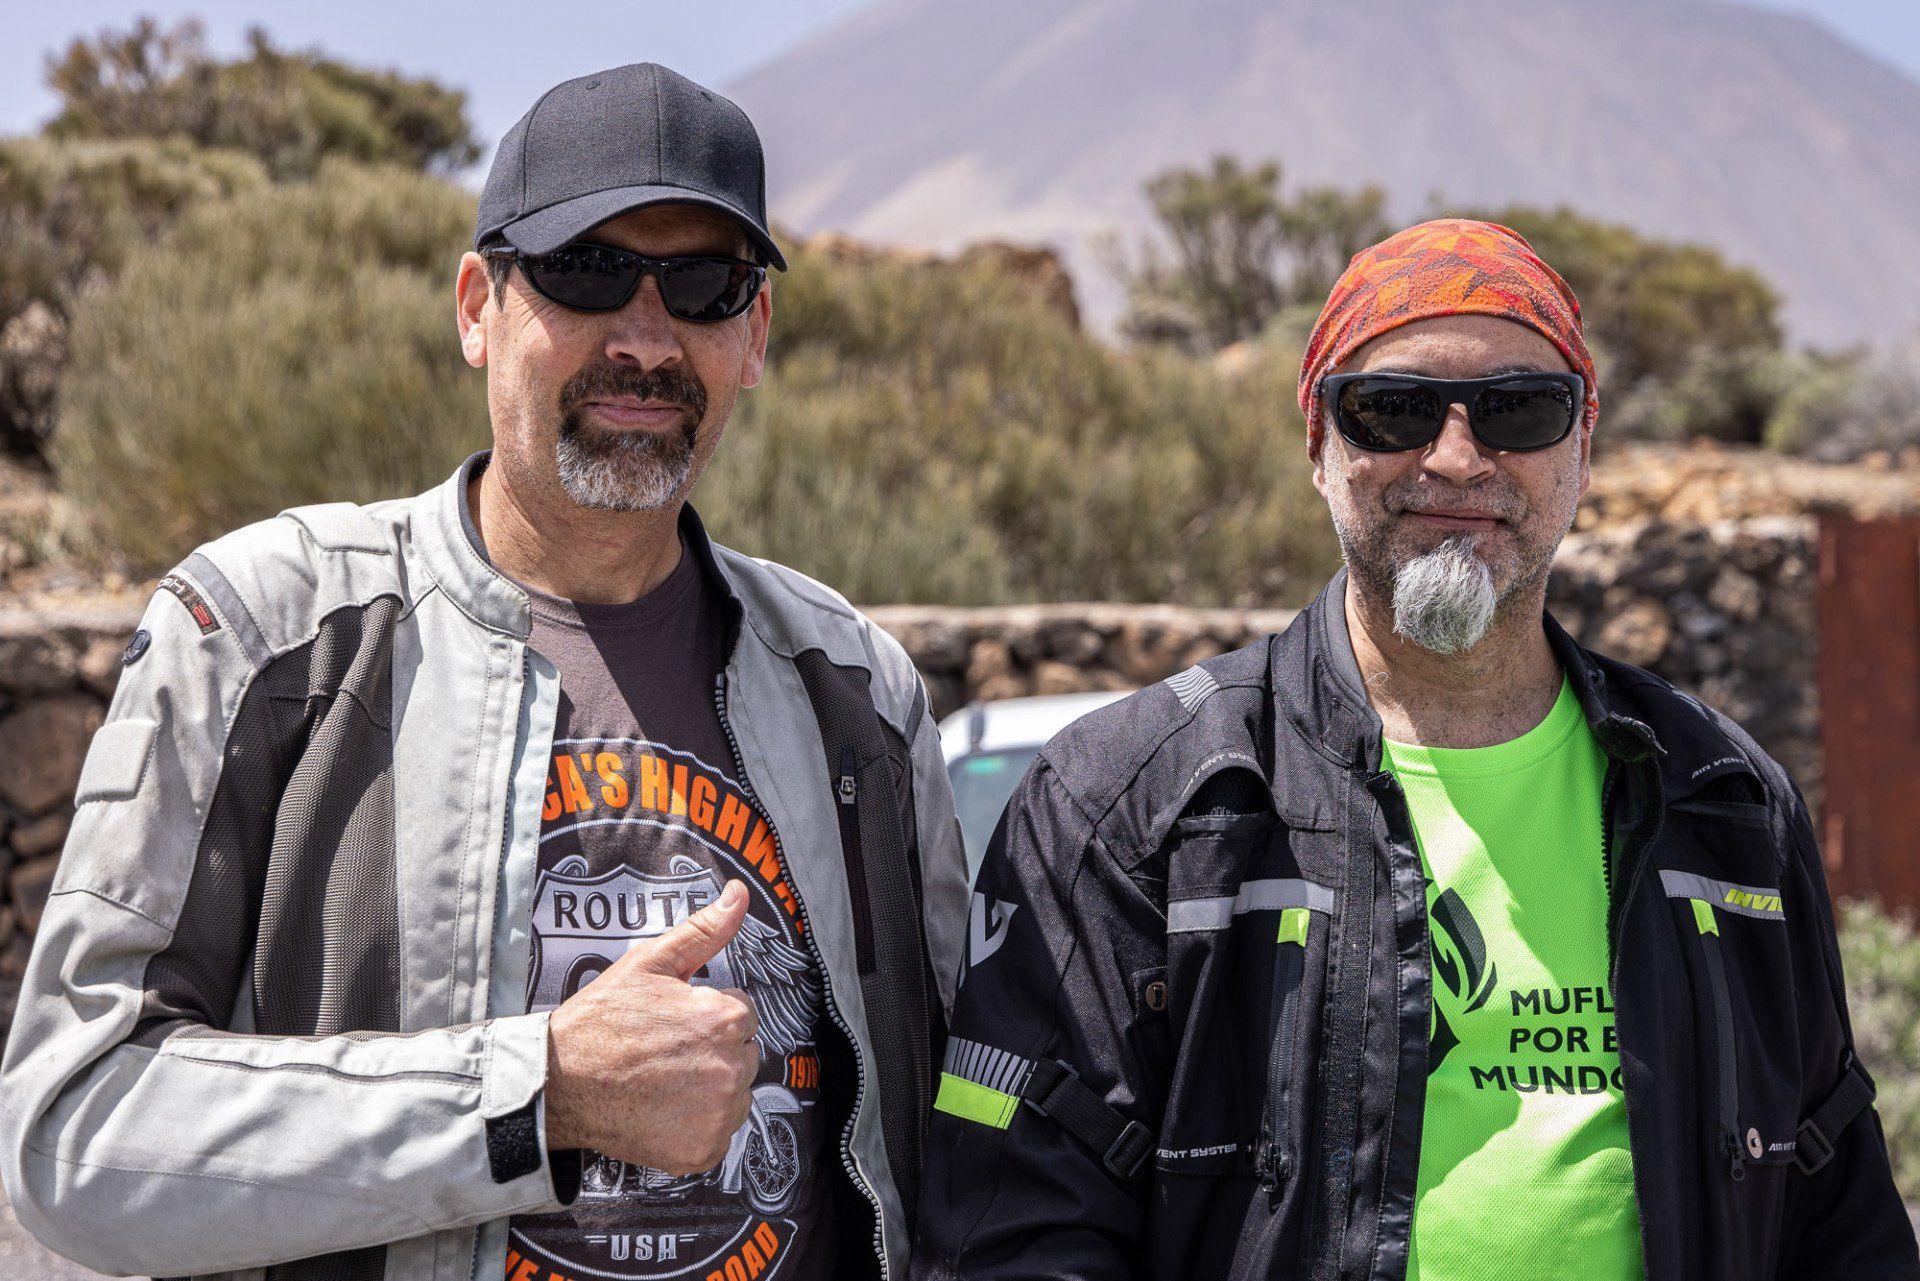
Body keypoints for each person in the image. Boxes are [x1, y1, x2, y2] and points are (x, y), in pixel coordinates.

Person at [0, 62, 966, 1281]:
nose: (647, 336)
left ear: (755, 336)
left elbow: (950, 1141)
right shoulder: (265, 637)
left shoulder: (856, 691)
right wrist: (539, 1095)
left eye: (707, 285)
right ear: (476, 307)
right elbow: (75, 1132)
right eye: (584, 270)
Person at [912, 219, 1919, 1280]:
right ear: (1318, 442)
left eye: (1518, 409)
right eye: (1391, 409)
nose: (1454, 457)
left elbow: (1834, 1215)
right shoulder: (1132, 804)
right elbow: (1015, 1230)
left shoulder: (1725, 806)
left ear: (1582, 449)